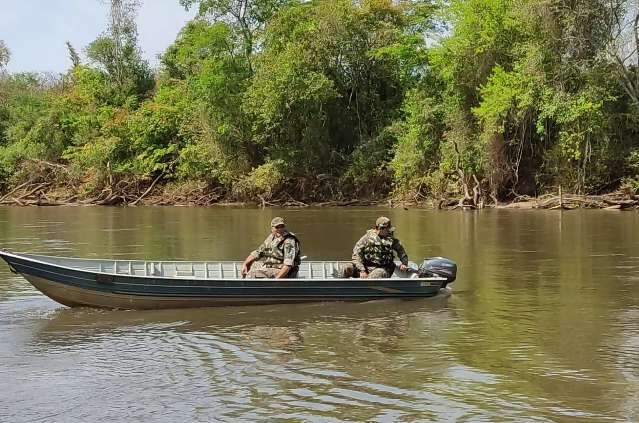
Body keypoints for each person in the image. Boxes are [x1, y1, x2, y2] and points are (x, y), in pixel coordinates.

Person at [339, 216, 409, 278]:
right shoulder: (366, 238)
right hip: (365, 267)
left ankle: (368, 290)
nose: (385, 230)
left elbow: (402, 252)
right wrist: (362, 270)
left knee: (376, 274)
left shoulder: (392, 240)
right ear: (376, 228)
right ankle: (338, 288)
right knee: (346, 268)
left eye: (387, 228)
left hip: (383, 269)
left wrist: (404, 264)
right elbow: (356, 255)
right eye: (383, 228)